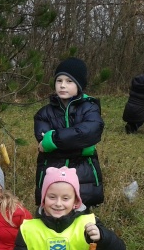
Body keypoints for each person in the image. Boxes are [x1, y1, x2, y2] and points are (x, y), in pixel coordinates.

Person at [34, 57, 104, 209]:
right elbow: (44, 142)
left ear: (79, 85)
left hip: (83, 174)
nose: (62, 85)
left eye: (69, 81)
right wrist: (81, 146)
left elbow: (91, 131)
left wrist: (54, 140)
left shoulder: (90, 108)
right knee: (52, 212)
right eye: (59, 80)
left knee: (81, 215)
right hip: (52, 172)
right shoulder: (43, 113)